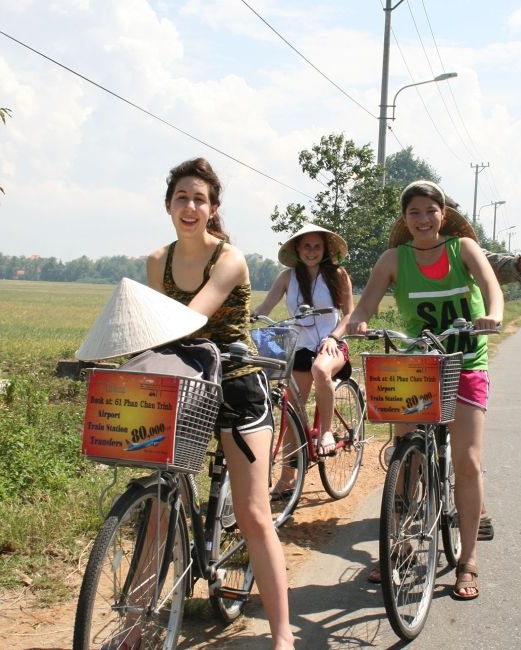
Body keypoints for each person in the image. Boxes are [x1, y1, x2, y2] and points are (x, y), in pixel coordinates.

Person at [329, 180, 504, 601]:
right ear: (405, 220)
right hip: (418, 365)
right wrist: (355, 324)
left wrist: (493, 314)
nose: (423, 219)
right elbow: (366, 303)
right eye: (414, 213)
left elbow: (491, 286)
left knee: (467, 459)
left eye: (430, 211)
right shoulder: (393, 258)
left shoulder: (463, 249)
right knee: (406, 457)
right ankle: (399, 543)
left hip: (465, 362)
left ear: (443, 213)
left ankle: (467, 561)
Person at [146, 158, 295, 649]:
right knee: (158, 502)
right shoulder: (156, 261)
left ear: (213, 209)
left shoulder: (228, 258)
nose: (190, 207)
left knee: (253, 513)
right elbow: (155, 331)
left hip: (235, 381)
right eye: (182, 198)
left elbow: (182, 319)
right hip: (187, 380)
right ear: (169, 205)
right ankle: (134, 622)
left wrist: (143, 338)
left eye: (200, 199)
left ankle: (282, 636)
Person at [252, 223, 354, 494]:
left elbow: (349, 315)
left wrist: (333, 337)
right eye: (306, 246)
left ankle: (327, 432)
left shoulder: (339, 275)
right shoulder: (287, 277)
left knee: (321, 370)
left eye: (316, 246)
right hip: (299, 347)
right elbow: (264, 308)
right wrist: (247, 319)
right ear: (297, 249)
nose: (311, 251)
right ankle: (288, 478)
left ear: (325, 250)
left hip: (332, 346)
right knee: (293, 411)